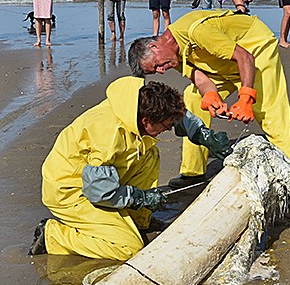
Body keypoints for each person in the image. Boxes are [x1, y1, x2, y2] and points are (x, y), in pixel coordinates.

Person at [127, 10, 290, 204]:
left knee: (273, 120)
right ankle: (193, 172)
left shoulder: (198, 32)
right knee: (192, 99)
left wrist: (246, 97)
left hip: (255, 52)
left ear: (154, 46)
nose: (162, 70)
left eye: (157, 65)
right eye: (156, 71)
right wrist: (210, 95)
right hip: (223, 63)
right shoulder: (172, 54)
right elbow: (199, 79)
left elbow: (245, 58)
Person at [32, 77, 232, 260]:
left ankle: (139, 220)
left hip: (98, 181)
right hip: (71, 191)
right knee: (128, 247)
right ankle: (52, 236)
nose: (169, 129)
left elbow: (173, 115)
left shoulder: (136, 104)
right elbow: (98, 192)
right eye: (166, 125)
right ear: (146, 121)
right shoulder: (107, 136)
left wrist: (203, 134)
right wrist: (139, 198)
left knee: (149, 154)